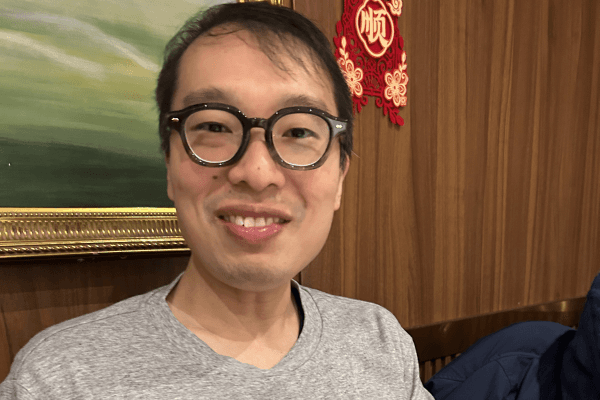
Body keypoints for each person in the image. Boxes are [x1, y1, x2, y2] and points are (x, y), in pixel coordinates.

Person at [0, 2, 433, 398]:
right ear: (169, 166)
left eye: (300, 131)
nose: (257, 173)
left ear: (339, 176)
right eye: (214, 127)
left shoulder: (379, 341)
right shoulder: (61, 379)